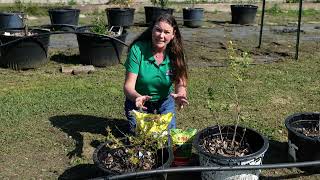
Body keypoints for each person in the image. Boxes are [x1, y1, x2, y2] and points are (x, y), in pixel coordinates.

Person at [123, 14, 189, 133]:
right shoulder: (138, 49)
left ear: (173, 34)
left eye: (166, 32)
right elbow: (128, 86)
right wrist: (137, 97)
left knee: (166, 137)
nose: (161, 35)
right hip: (139, 102)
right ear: (152, 29)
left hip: (165, 102)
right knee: (140, 138)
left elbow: (181, 82)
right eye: (158, 30)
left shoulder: (176, 53)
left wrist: (181, 93)